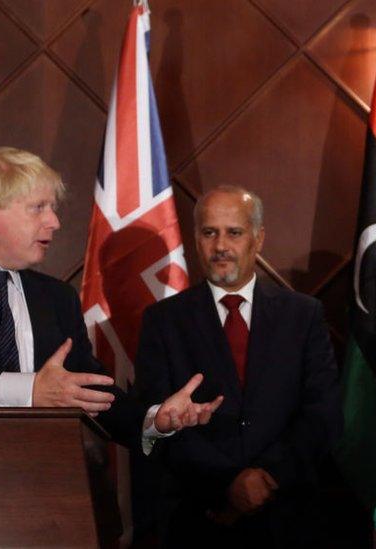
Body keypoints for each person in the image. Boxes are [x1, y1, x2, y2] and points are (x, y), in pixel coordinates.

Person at [0, 146, 222, 447]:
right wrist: (30, 391)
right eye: (39, 208)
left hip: (42, 494)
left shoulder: (55, 298)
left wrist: (154, 420)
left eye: (53, 209)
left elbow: (87, 389)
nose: (55, 222)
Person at [136, 186, 342, 547]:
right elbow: (156, 420)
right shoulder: (163, 321)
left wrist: (265, 478)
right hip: (197, 520)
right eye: (209, 232)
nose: (220, 246)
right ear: (195, 238)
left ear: (258, 239)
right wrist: (227, 484)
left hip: (289, 517)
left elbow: (322, 414)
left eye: (234, 232)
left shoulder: (303, 315)